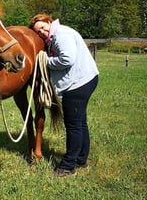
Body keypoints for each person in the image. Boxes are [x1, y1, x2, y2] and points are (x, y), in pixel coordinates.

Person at [29, 14, 99, 177]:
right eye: (38, 32)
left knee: (73, 124)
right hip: (85, 79)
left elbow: (66, 59)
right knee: (80, 122)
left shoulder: (60, 34)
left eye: (42, 27)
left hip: (77, 84)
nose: (42, 32)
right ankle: (81, 158)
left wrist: (45, 61)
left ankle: (68, 165)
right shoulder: (58, 34)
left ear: (48, 22)